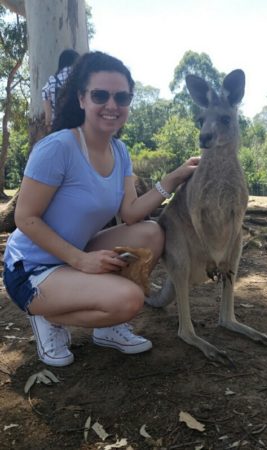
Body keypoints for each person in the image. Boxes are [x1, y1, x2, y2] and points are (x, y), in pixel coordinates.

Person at [3, 51, 200, 367]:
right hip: (32, 268)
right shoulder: (57, 148)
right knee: (130, 300)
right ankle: (46, 317)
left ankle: (106, 330)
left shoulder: (119, 150)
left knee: (150, 232)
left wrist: (175, 177)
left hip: (76, 254)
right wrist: (80, 260)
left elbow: (132, 213)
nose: (112, 105)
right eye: (100, 95)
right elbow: (25, 217)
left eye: (121, 97)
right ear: (82, 98)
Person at [42, 49, 79, 132]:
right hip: (80, 124)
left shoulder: (51, 81)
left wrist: (49, 127)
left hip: (60, 127)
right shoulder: (81, 76)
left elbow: (48, 115)